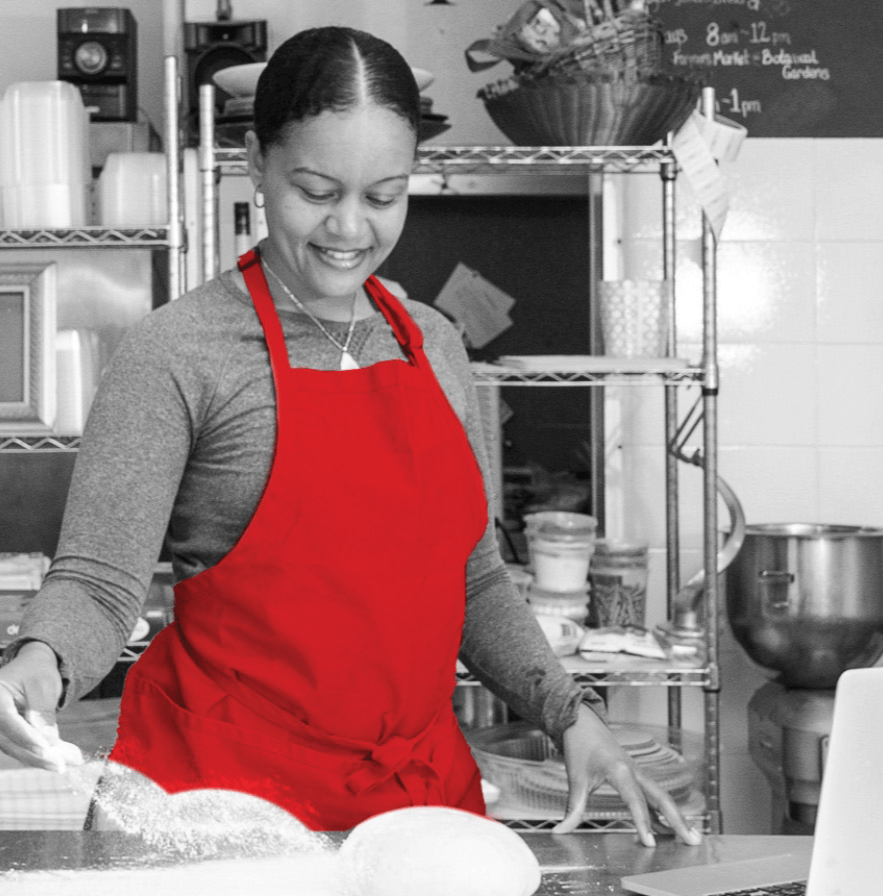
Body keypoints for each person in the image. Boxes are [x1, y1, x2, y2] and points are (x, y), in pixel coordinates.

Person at [0, 26, 700, 844]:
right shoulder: (178, 351)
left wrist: (572, 716)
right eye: (317, 190)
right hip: (217, 813)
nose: (349, 229)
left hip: (412, 807)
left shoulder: (432, 342)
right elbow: (98, 579)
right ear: (258, 164)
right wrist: (37, 666)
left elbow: (473, 580)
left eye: (383, 196)